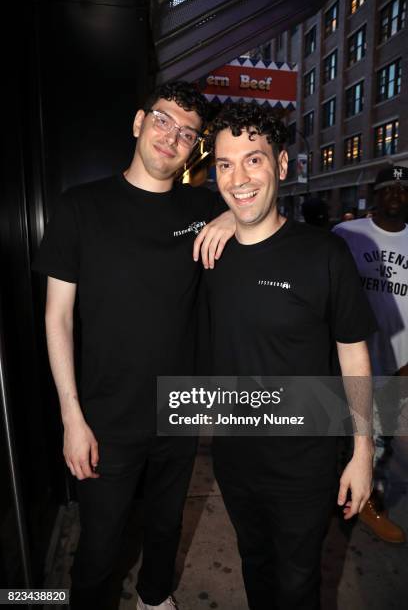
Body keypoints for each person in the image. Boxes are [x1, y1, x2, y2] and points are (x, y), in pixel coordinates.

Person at [32, 81, 235, 610]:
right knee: (99, 548)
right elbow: (57, 318)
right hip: (106, 415)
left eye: (188, 133)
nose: (173, 137)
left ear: (194, 150)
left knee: (167, 526)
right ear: (138, 123)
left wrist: (232, 216)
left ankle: (155, 597)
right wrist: (71, 418)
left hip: (181, 407)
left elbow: (260, 223)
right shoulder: (82, 207)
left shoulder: (202, 207)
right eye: (164, 121)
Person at [204, 102, 376, 610]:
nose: (239, 177)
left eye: (254, 160)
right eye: (225, 164)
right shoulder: (207, 253)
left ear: (281, 166)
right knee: (255, 565)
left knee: (299, 582)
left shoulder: (325, 254)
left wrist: (363, 453)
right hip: (234, 456)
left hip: (305, 461)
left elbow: (354, 356)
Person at [333, 165, 408, 544]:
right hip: (343, 359)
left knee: (379, 443)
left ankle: (367, 503)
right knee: (333, 433)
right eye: (388, 188)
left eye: (402, 189)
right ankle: (335, 495)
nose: (396, 194)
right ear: (374, 194)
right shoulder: (347, 234)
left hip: (395, 363)